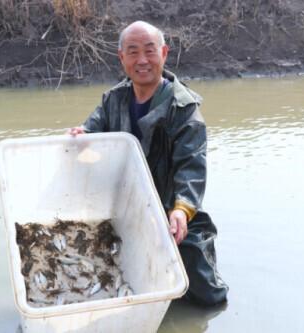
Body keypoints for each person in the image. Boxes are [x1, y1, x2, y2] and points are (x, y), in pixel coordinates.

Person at [68, 20, 228, 306]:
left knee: (208, 297)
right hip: (125, 206)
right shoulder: (113, 99)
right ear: (121, 58)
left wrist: (181, 211)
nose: (142, 60)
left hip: (171, 211)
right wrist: (81, 135)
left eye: (149, 51)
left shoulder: (184, 108)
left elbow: (192, 166)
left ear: (164, 53)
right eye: (132, 51)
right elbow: (91, 129)